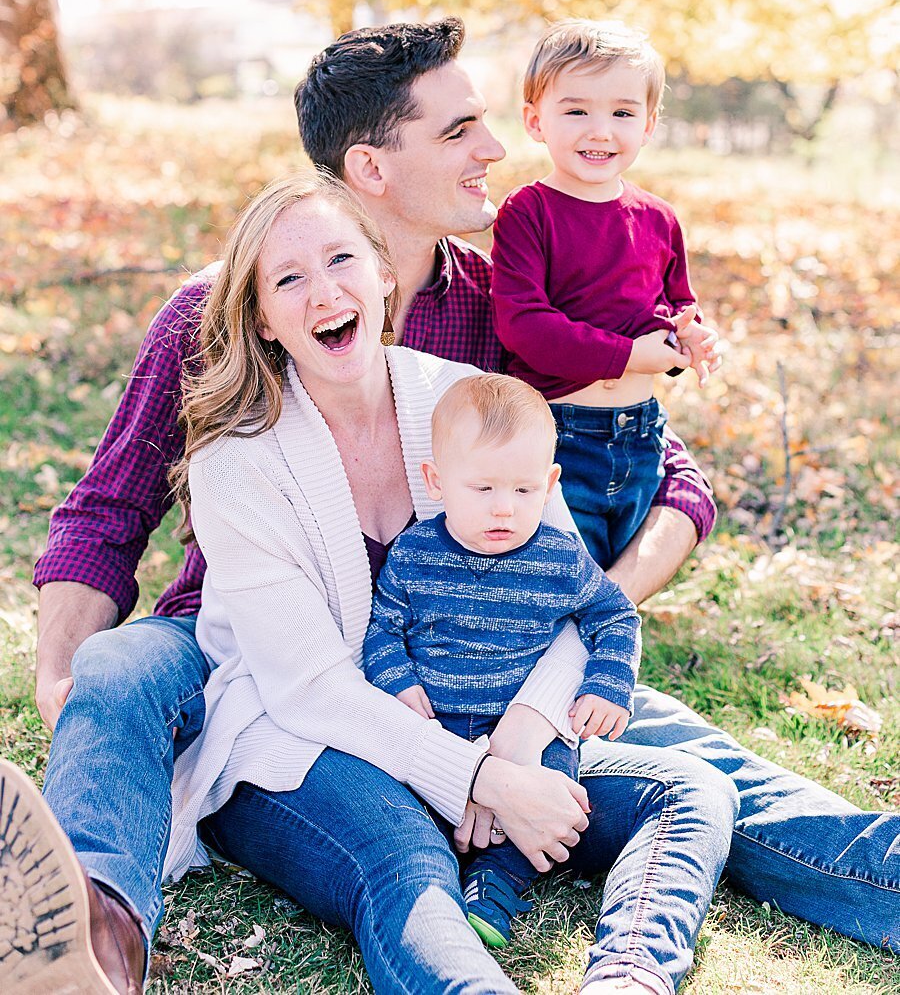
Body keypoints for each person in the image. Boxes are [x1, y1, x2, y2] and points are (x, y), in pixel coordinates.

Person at [4, 18, 896, 991]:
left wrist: (581, 615)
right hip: (260, 636)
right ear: (373, 167)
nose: (496, 149)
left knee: (701, 764)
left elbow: (666, 473)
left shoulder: (502, 307)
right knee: (121, 667)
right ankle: (86, 936)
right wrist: (58, 676)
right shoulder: (225, 314)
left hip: (468, 638)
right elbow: (106, 513)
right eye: (460, 130)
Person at [161, 171, 734, 995]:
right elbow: (308, 687)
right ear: (260, 315)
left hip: (488, 717)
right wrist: (478, 781)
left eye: (340, 259)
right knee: (409, 857)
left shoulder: (461, 401)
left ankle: (631, 980)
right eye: (288, 278)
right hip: (296, 741)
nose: (324, 292)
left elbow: (568, 594)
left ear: (382, 273)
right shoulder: (236, 463)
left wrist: (522, 735)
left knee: (692, 790)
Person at [363, 372, 641, 948]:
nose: (504, 510)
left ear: (550, 483)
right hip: (439, 724)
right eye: (483, 489)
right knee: (407, 800)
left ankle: (497, 883)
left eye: (522, 490)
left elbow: (616, 618)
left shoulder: (559, 558)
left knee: (552, 785)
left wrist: (608, 684)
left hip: (527, 728)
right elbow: (382, 629)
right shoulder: (415, 554)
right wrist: (396, 681)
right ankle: (436, 869)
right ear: (437, 482)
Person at [491, 19, 718, 570]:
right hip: (561, 436)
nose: (600, 131)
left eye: (622, 112)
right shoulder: (528, 212)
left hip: (642, 433)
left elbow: (671, 306)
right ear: (534, 120)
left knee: (621, 567)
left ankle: (614, 649)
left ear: (649, 124)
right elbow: (524, 325)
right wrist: (627, 355)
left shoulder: (658, 218)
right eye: (576, 111)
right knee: (562, 576)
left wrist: (689, 337)